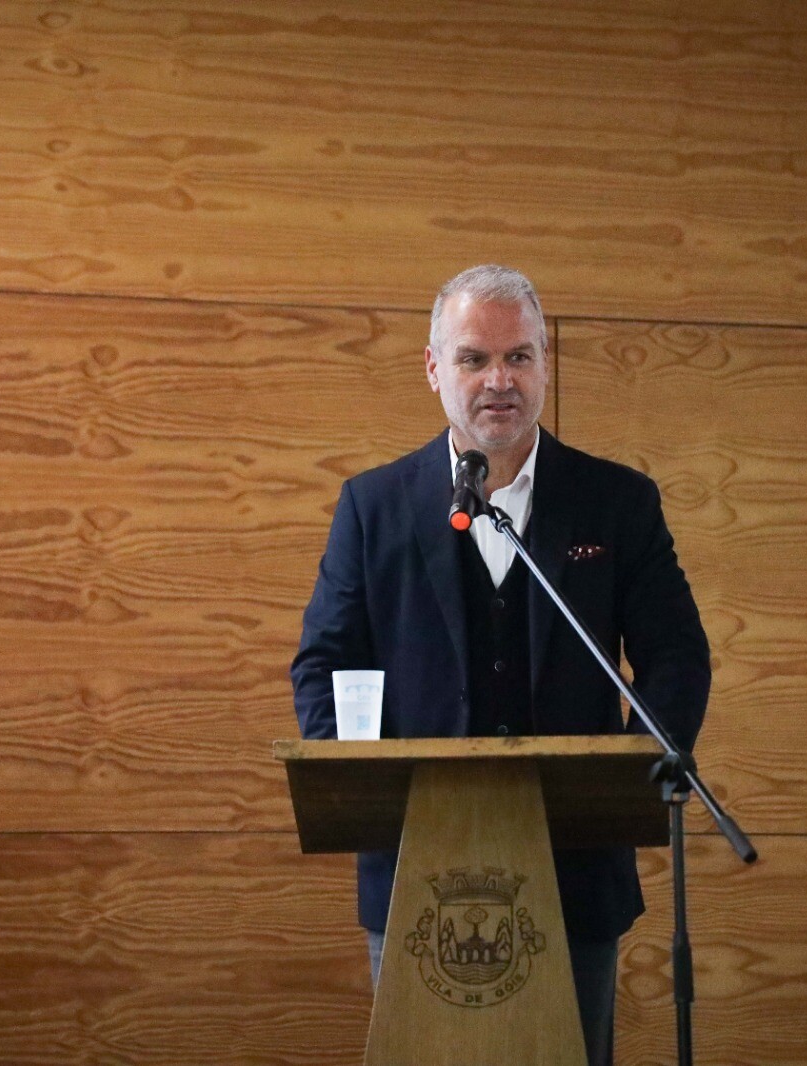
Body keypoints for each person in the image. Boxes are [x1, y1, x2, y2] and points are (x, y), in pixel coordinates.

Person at [290, 264, 711, 1065]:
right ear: (433, 368)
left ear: (546, 364)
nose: (499, 381)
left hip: (576, 869)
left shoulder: (616, 503)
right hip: (415, 871)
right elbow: (324, 663)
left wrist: (636, 767)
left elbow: (676, 654)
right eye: (474, 359)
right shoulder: (374, 507)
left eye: (519, 357)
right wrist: (358, 784)